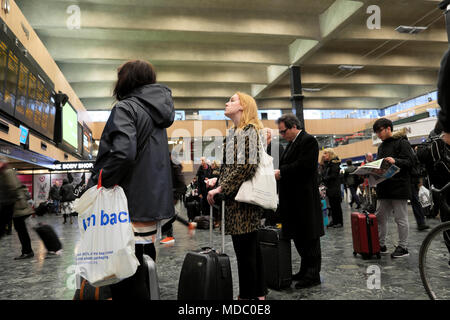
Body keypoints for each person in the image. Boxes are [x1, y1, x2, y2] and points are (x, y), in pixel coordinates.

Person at [89, 59, 175, 300]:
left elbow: (123, 154)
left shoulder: (126, 108)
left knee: (125, 267)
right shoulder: (157, 111)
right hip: (151, 201)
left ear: (126, 79)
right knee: (145, 254)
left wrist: (100, 182)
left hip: (128, 200)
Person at [207, 92, 267, 300]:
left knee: (245, 252)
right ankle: (258, 293)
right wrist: (218, 181)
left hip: (243, 202)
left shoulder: (247, 131)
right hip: (240, 199)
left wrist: (221, 188)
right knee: (250, 249)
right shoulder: (236, 132)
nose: (227, 103)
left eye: (232, 100)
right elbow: (235, 167)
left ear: (244, 107)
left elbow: (245, 168)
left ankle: (247, 297)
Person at [274, 113, 324, 289]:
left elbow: (305, 165)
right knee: (300, 238)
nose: (282, 135)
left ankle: (313, 274)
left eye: (283, 131)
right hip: (294, 200)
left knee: (309, 238)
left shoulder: (308, 141)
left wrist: (282, 172)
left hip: (305, 200)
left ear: (294, 126)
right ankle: (304, 270)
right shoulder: (291, 143)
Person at [373, 118, 414, 258]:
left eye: (380, 131)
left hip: (399, 186)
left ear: (388, 128)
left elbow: (411, 162)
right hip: (384, 187)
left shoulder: (402, 142)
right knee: (380, 217)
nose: (378, 134)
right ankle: (381, 244)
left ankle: (403, 247)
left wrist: (395, 160)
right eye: (376, 132)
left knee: (400, 218)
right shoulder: (381, 146)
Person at [0, 158, 35, 259]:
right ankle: (27, 251)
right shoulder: (4, 172)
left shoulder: (7, 172)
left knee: (19, 229)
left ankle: (28, 251)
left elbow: (13, 188)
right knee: (20, 229)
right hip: (13, 205)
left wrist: (7, 202)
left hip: (14, 205)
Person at [160, 153, 187, 245]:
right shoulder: (171, 167)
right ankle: (169, 236)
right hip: (169, 196)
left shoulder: (175, 167)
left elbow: (182, 184)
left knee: (170, 217)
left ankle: (169, 236)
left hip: (172, 197)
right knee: (169, 217)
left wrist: (175, 196)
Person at [320, 148, 344, 228]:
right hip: (330, 187)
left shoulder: (334, 163)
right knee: (332, 206)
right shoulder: (328, 163)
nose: (324, 155)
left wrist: (325, 178)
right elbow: (323, 173)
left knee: (336, 205)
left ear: (330, 154)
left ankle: (339, 222)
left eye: (325, 153)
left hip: (334, 187)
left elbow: (333, 175)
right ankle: (334, 221)